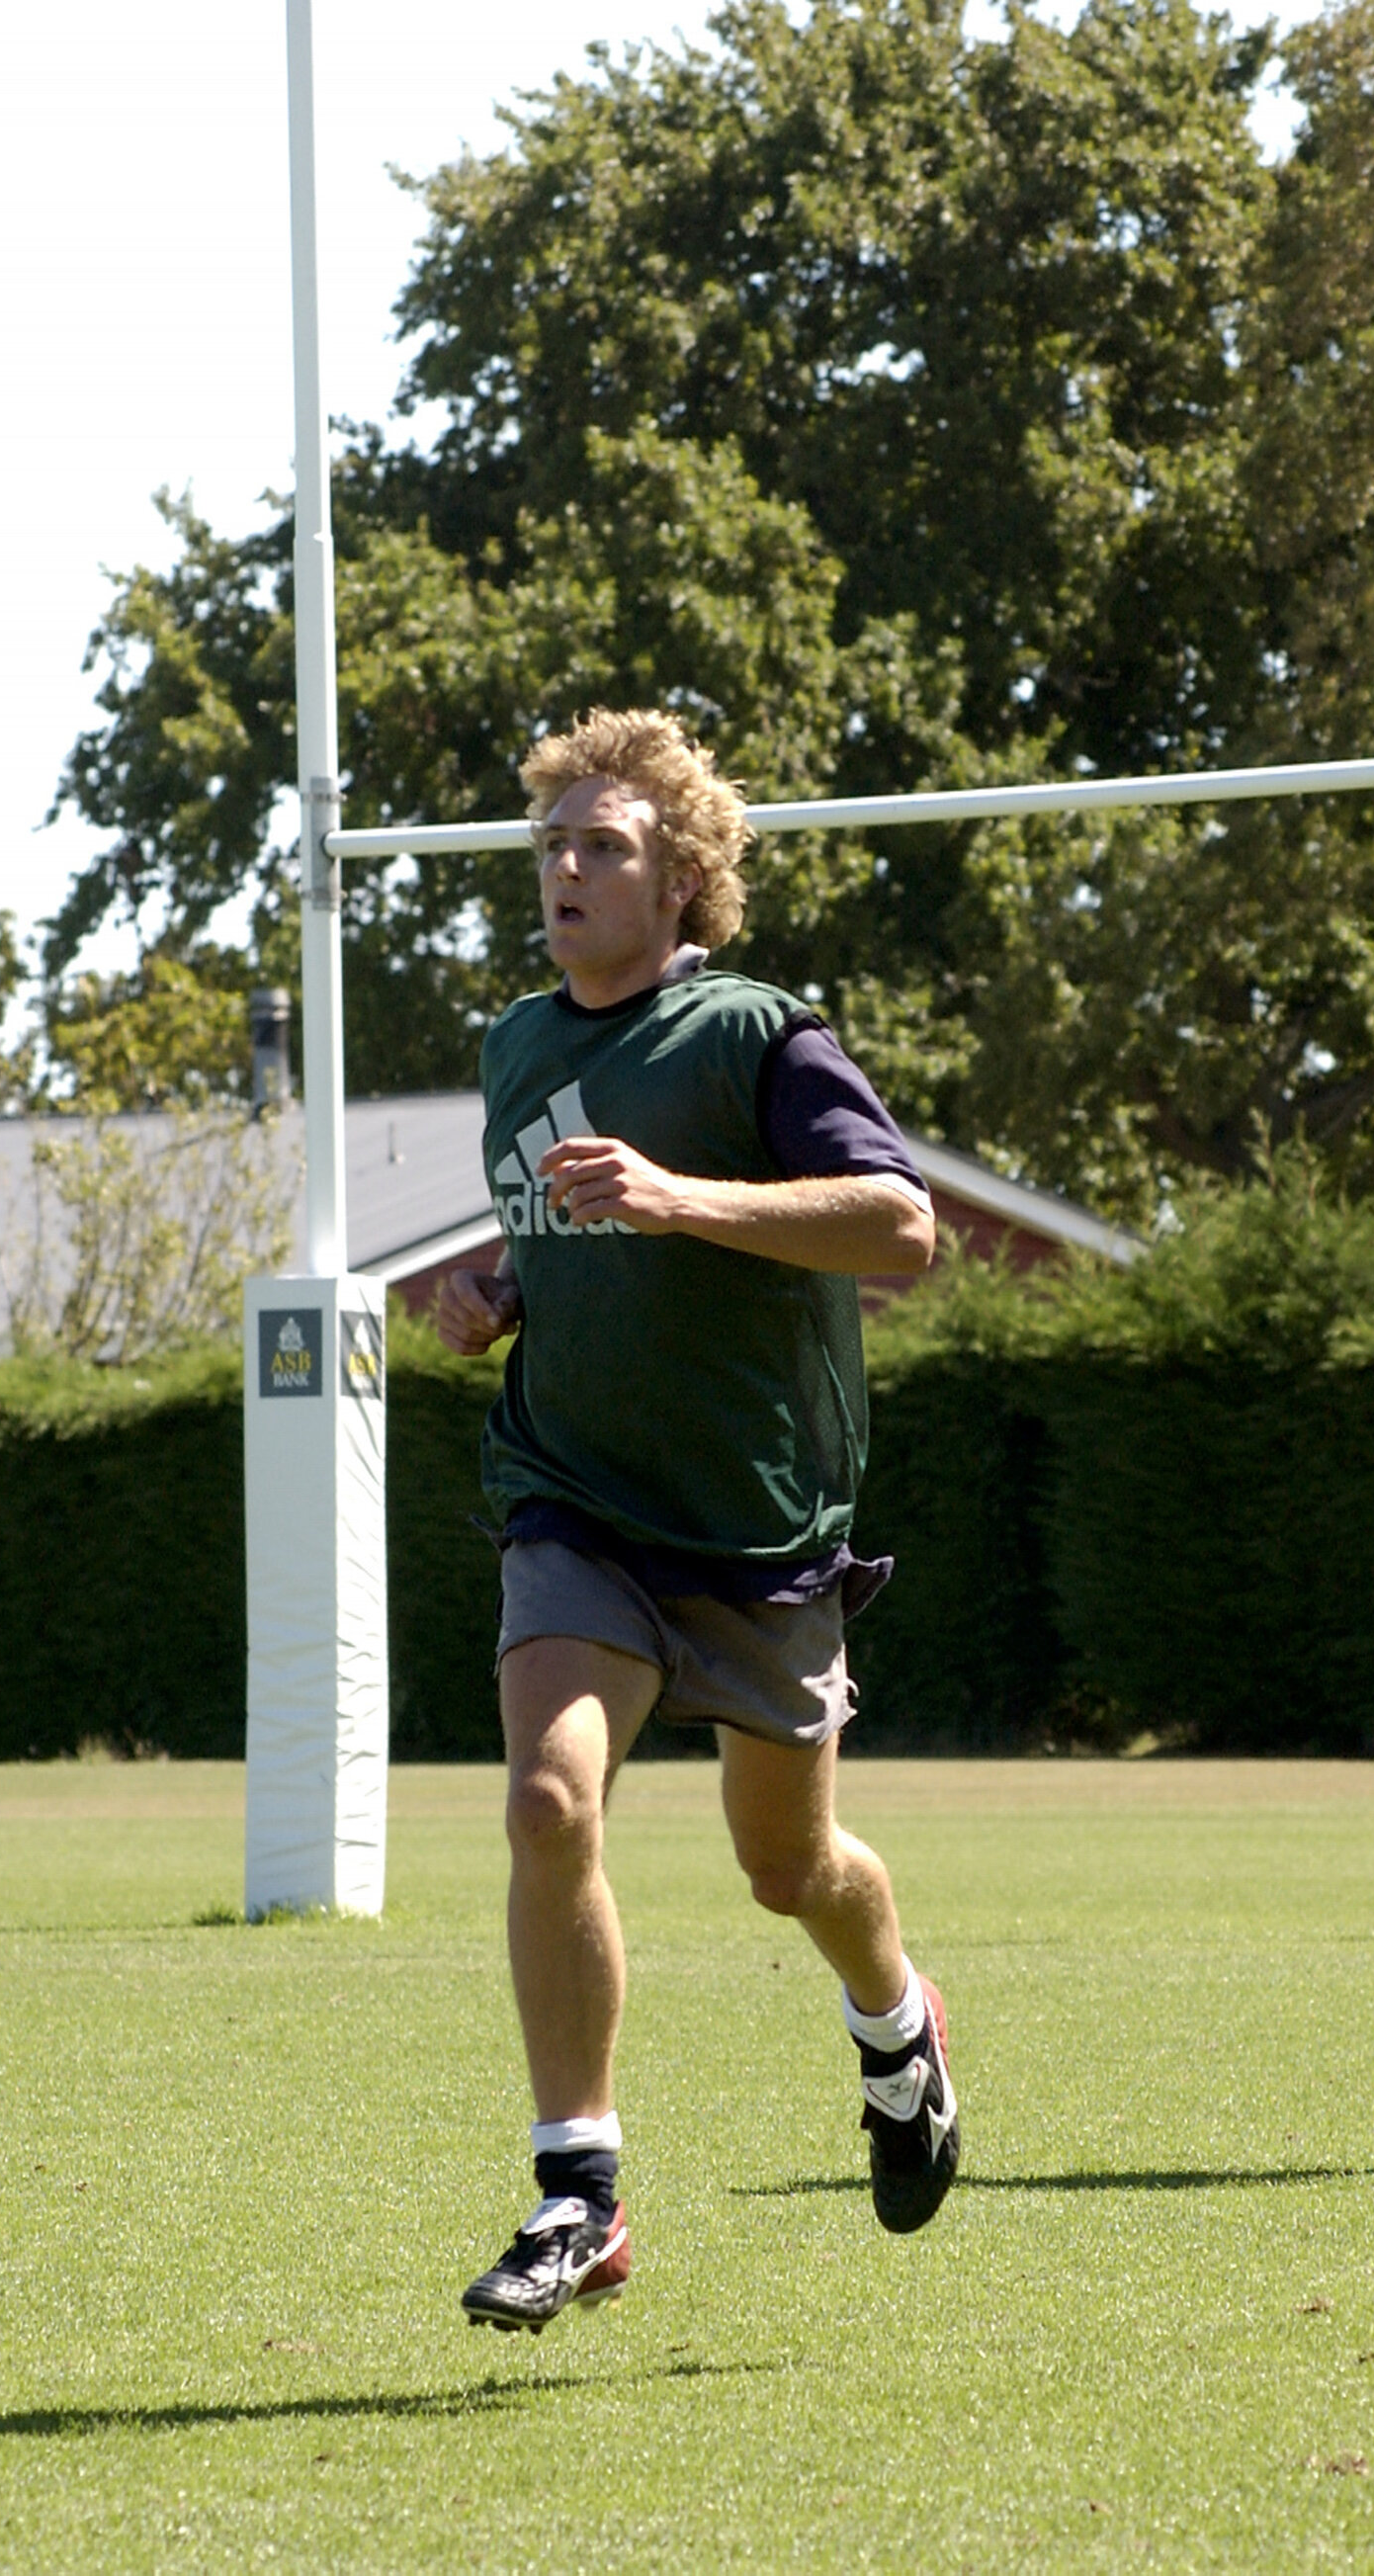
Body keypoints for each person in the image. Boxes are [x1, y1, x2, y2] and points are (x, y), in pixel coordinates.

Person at [432, 709, 955, 2331]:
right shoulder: (517, 1042)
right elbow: (568, 1230)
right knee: (541, 1799)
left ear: (681, 879)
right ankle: (575, 2194)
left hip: (760, 1531)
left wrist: (678, 1195)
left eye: (603, 847)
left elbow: (900, 1226)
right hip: (573, 1504)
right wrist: (501, 1287)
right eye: (551, 845)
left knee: (785, 1867)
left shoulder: (756, 1037)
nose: (566, 872)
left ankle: (895, 2019)